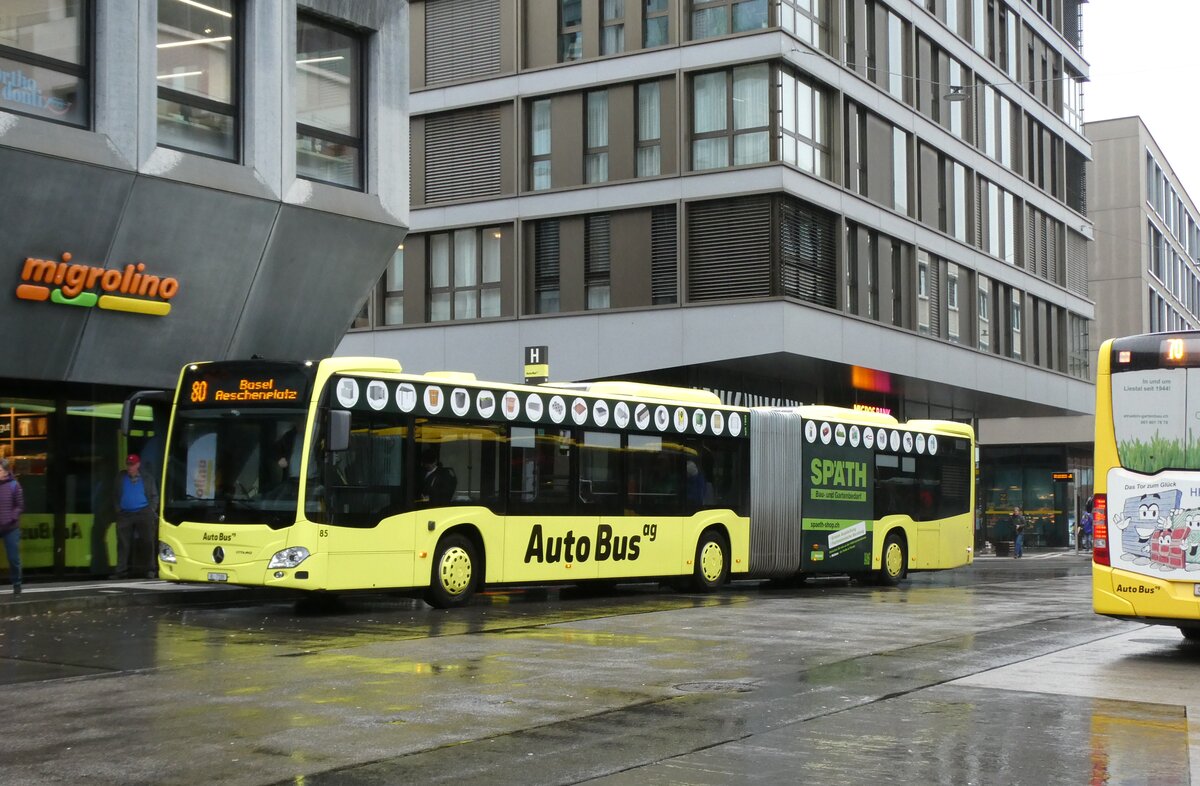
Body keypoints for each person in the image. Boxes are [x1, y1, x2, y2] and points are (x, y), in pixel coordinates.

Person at [114, 454, 159, 579]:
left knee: (148, 542)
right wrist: (118, 509)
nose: (130, 467)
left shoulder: (147, 478)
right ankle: (121, 571)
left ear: (138, 465)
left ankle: (150, 570)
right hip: (125, 514)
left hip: (143, 512)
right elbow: (115, 494)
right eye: (128, 464)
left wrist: (150, 510)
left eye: (132, 464)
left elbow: (154, 496)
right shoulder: (120, 477)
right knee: (123, 543)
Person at [0, 458, 25, 595]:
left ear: (5, 471)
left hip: (11, 528)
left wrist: (12, 517)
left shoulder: (14, 485)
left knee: (13, 558)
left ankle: (17, 584)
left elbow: (20, 506)